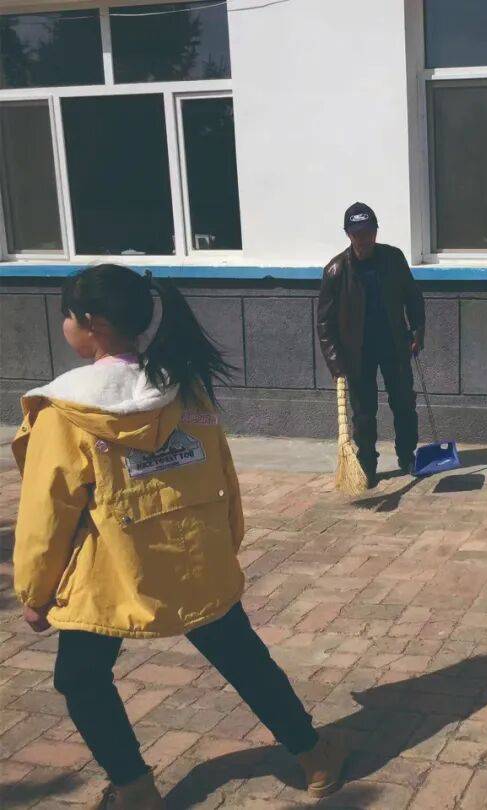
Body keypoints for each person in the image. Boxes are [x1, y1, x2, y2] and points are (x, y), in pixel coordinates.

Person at [12, 265, 348, 808]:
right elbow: (222, 475)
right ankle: (315, 757)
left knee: (81, 678)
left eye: (67, 316)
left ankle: (134, 788)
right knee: (243, 658)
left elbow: (46, 515)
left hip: (111, 575)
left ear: (92, 323)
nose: (65, 326)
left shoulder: (65, 413)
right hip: (195, 560)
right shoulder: (183, 389)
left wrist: (35, 592)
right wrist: (226, 544)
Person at [317, 202, 425, 482]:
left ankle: (407, 456)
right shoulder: (335, 271)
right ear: (348, 235)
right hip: (357, 352)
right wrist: (335, 363)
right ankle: (367, 463)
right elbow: (325, 324)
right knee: (363, 413)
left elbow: (413, 296)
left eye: (368, 233)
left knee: (404, 404)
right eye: (357, 234)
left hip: (393, 344)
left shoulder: (393, 259)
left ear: (376, 231)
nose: (363, 239)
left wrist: (417, 331)